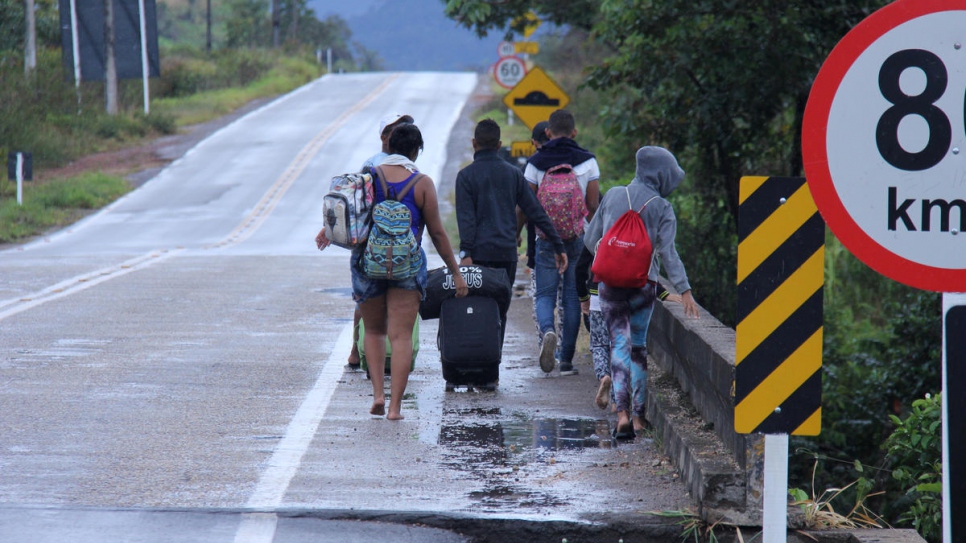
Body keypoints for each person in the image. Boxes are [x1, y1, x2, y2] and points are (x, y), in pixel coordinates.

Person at [352, 123, 468, 420]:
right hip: (407, 266)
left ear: (387, 146)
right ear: (416, 151)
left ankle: (378, 395)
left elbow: (349, 218)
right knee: (401, 336)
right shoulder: (422, 184)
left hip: (370, 265)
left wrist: (326, 233)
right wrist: (455, 273)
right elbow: (439, 235)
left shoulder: (369, 177)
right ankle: (394, 408)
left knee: (375, 331)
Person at [583, 146, 699, 439]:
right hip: (643, 285)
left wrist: (609, 255)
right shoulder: (661, 207)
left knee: (618, 348)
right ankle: (637, 418)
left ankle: (620, 415)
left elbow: (589, 239)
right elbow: (669, 254)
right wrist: (684, 290)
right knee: (637, 348)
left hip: (609, 284)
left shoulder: (612, 195)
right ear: (662, 175)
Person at [455, 119, 567, 348]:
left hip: (476, 256)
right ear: (499, 145)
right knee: (499, 311)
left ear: (474, 143)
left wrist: (466, 252)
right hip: (506, 255)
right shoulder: (514, 174)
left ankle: (479, 364)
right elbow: (535, 211)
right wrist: (558, 245)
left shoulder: (465, 176)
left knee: (476, 308)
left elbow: (466, 220)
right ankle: (493, 367)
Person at [319, 113, 414, 372]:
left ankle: (359, 352)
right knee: (377, 301)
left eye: (405, 127)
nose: (402, 131)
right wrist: (327, 229)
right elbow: (351, 200)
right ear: (384, 136)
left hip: (375, 244)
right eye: (396, 129)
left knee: (367, 300)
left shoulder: (399, 164)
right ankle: (365, 350)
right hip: (378, 243)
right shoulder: (378, 164)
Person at [524, 109, 601, 376]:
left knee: (545, 294)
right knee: (571, 297)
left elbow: (528, 205)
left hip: (545, 239)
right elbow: (593, 205)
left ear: (547, 133)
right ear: (575, 133)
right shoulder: (588, 162)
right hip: (578, 238)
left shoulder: (535, 163)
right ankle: (567, 361)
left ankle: (547, 332)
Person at [575, 246, 681, 412]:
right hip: (624, 296)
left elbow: (580, 268)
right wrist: (662, 293)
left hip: (598, 293)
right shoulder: (632, 237)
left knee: (599, 344)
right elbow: (647, 271)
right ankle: (617, 401)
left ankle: (604, 376)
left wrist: (583, 297)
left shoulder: (598, 234)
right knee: (619, 346)